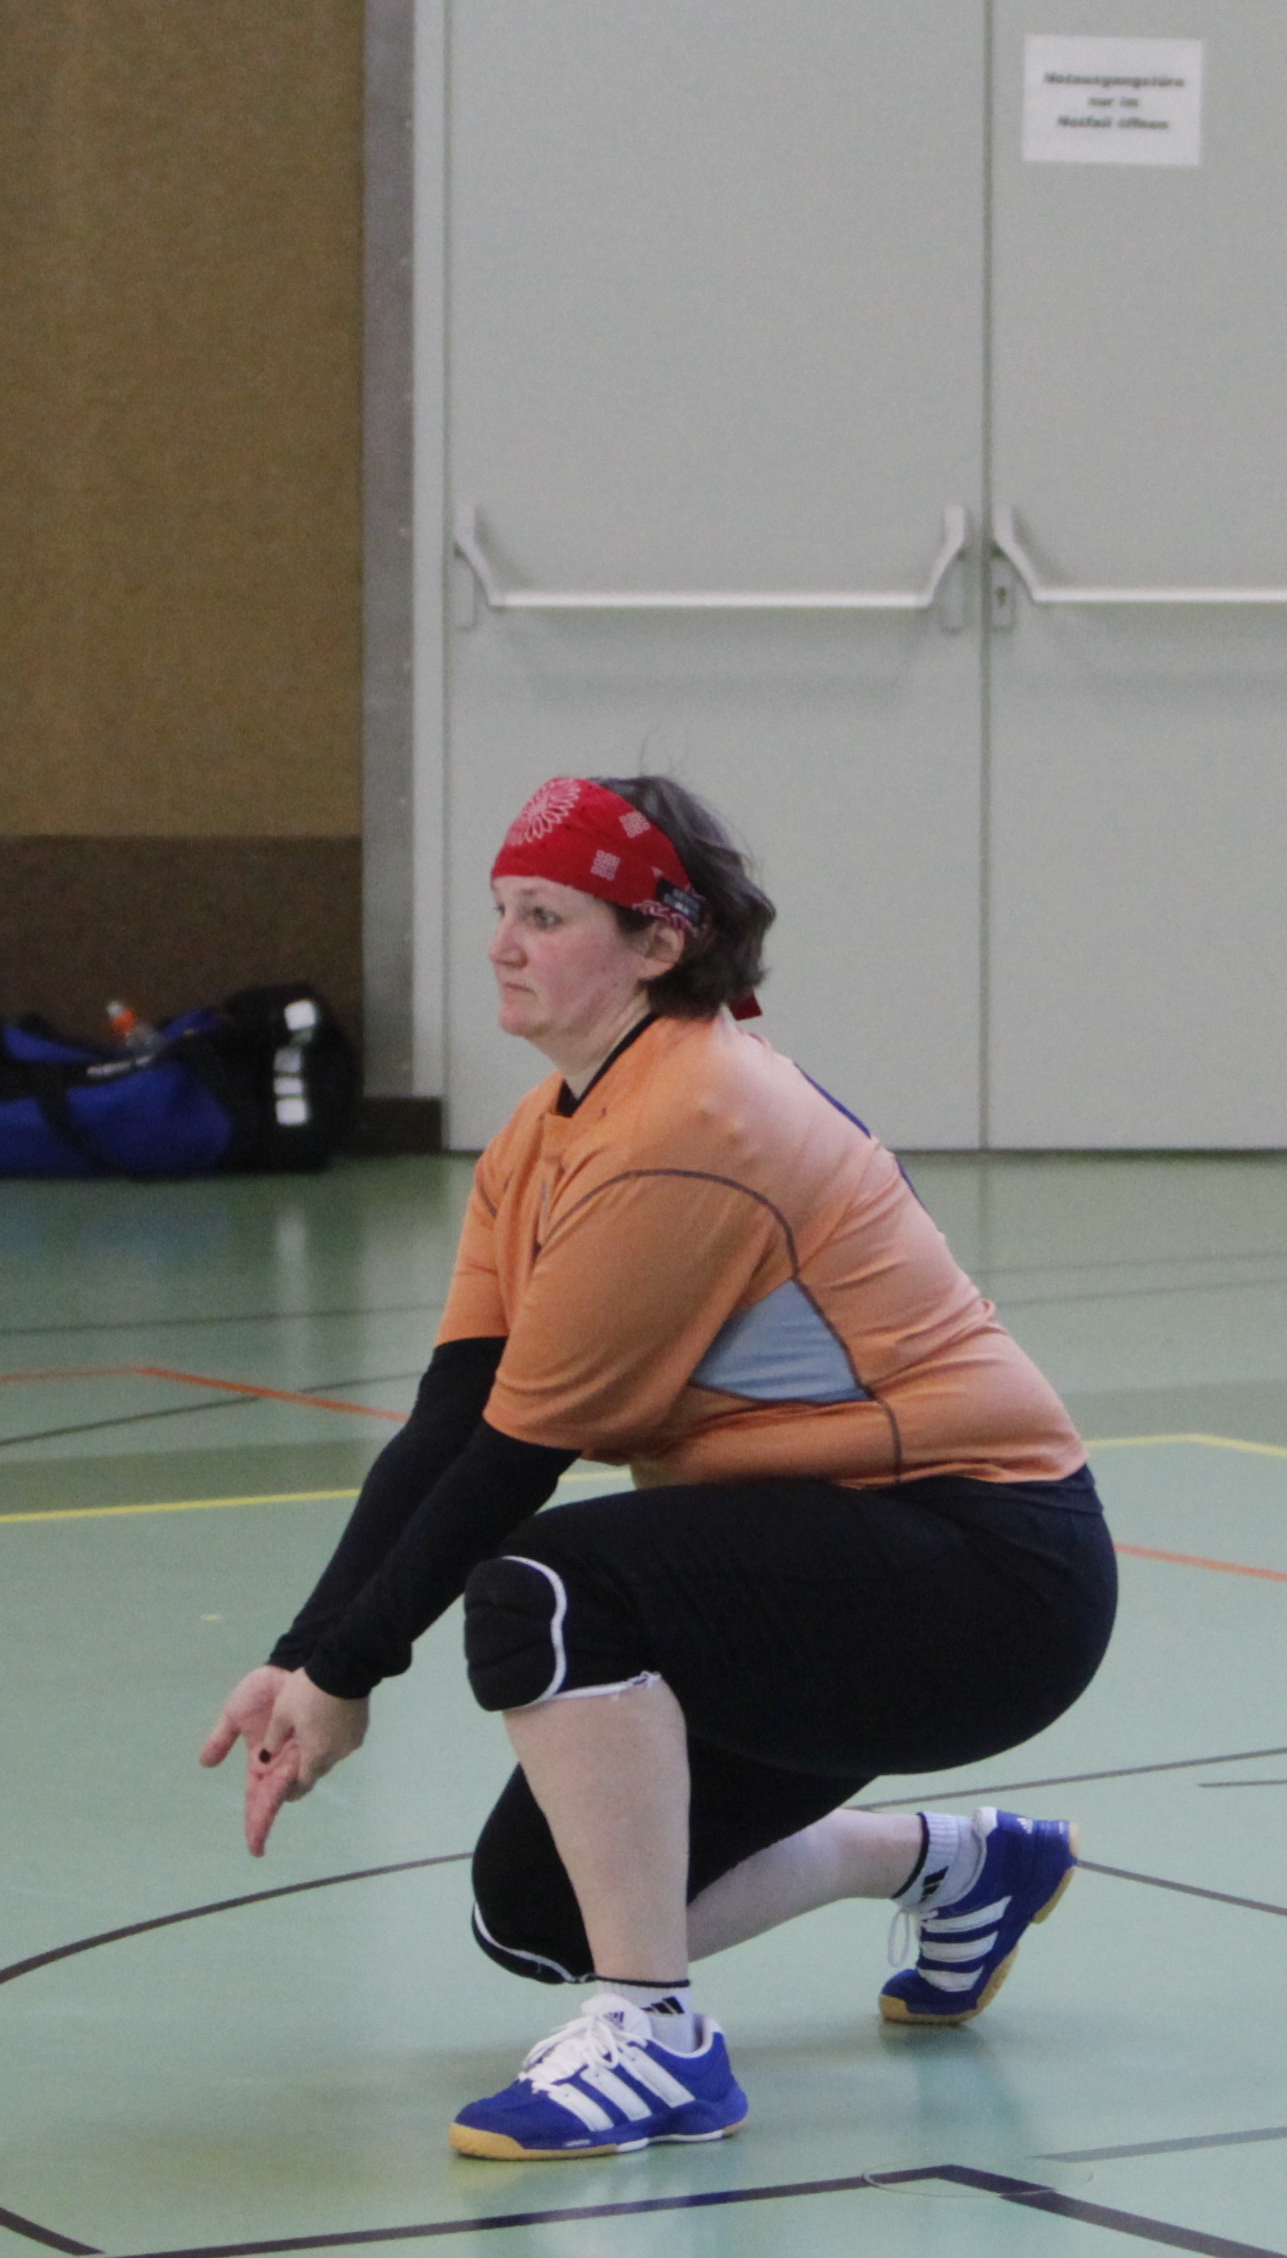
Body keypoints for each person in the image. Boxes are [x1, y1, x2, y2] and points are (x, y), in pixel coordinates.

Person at [202, 774, 1113, 2159]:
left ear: (657, 944)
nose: (503, 944)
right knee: (541, 1907)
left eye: (547, 916)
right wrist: (304, 1653)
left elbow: (514, 1461)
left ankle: (658, 2039)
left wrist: (349, 1674)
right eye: (502, 910)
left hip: (988, 1568)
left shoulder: (692, 1121)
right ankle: (960, 1864)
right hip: (832, 1563)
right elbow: (450, 1419)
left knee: (550, 1588)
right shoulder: (546, 1133)